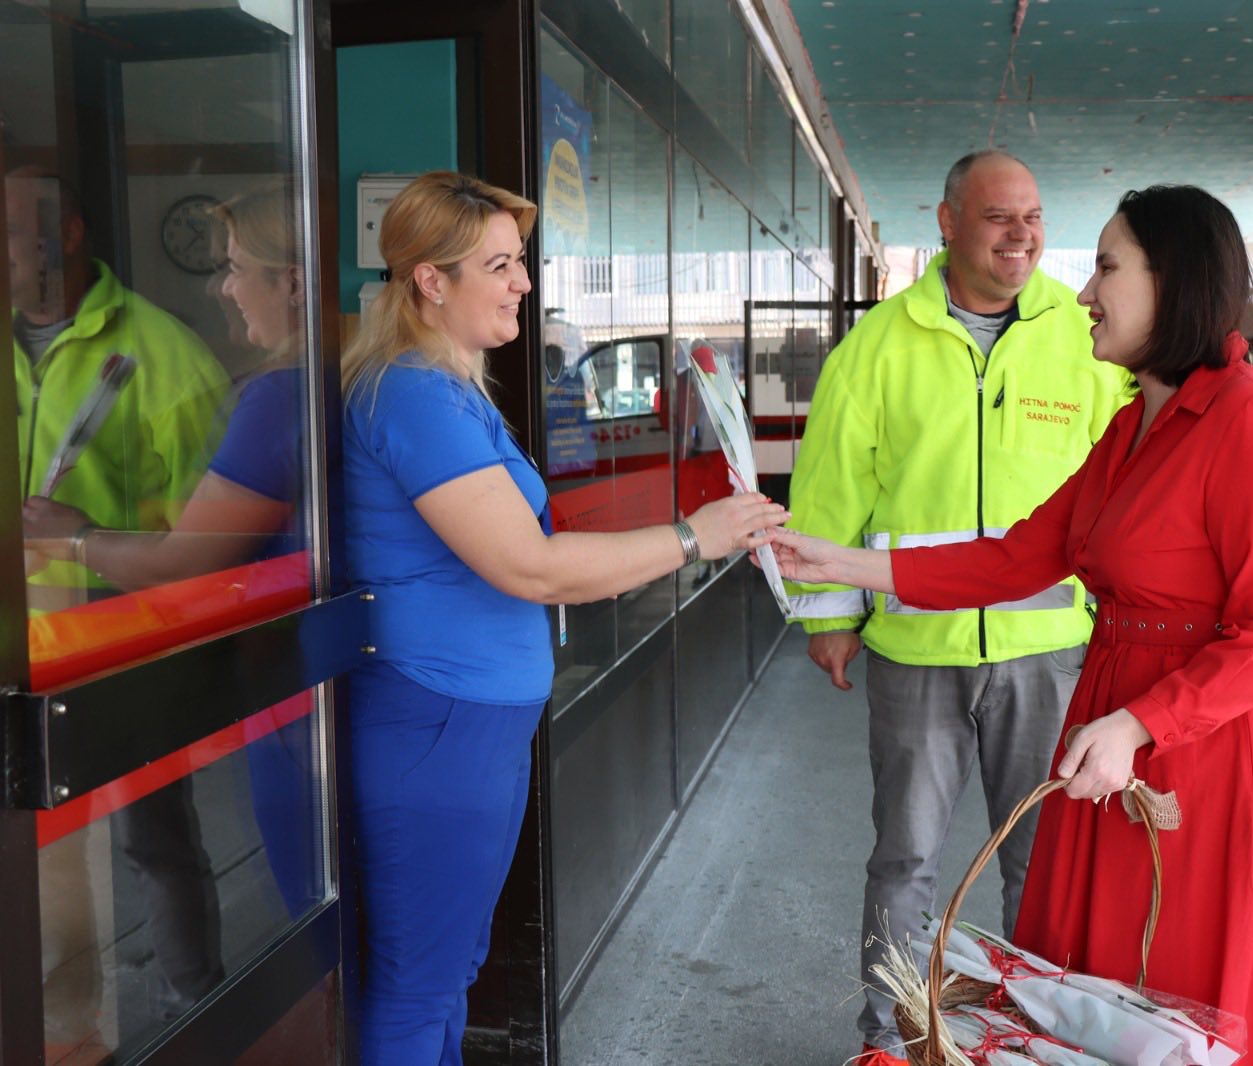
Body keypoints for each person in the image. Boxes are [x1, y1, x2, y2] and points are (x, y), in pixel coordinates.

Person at [772, 185, 1253, 1065]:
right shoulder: (1133, 422)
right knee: (1117, 988)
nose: (1084, 293)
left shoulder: (1252, 418)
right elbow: (1017, 556)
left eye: (1107, 268)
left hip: (1227, 748)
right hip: (1128, 728)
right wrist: (839, 563)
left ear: (1172, 282)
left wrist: (1140, 723)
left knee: (1195, 988)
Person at [338, 171, 786, 1065]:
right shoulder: (414, 394)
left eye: (521, 261)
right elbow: (529, 565)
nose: (523, 283)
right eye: (499, 265)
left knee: (451, 968)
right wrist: (691, 538)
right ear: (430, 281)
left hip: (471, 721)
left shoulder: (448, 387)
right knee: (421, 981)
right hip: (439, 721)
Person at [782, 150, 1129, 1064]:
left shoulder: (1082, 335)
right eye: (998, 216)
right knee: (904, 861)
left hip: (1050, 651)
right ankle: (891, 1040)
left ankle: (1039, 1040)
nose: (1022, 235)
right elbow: (831, 488)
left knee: (1044, 866)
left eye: (1033, 217)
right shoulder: (879, 346)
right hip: (918, 647)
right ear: (946, 222)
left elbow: (1128, 478)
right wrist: (828, 618)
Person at [25, 181, 322, 915]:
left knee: (160, 841)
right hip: (42, 622)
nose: (222, 288)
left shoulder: (262, 391)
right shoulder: (336, 379)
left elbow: (193, 555)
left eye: (235, 268)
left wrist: (74, 537)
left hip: (172, 633)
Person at [10, 167, 233, 1027]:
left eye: (6, 232)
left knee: (152, 839)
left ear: (62, 236)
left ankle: (196, 1010)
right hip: (16, 644)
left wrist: (81, 539)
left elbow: (206, 544)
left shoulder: (164, 354)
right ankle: (64, 1025)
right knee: (35, 845)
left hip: (123, 642)